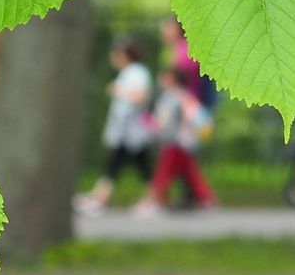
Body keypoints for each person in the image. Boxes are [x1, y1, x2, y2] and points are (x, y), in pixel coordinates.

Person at [77, 35, 154, 213]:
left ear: (124, 54)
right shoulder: (130, 72)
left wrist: (119, 91)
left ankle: (100, 198)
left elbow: (140, 96)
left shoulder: (137, 72)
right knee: (137, 165)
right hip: (126, 130)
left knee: (120, 163)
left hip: (132, 130)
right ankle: (151, 198)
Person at [136, 62, 215, 214]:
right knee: (190, 173)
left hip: (176, 142)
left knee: (163, 172)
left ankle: (154, 201)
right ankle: (206, 199)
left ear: (172, 79)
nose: (161, 80)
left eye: (165, 77)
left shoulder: (174, 97)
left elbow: (163, 122)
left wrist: (151, 126)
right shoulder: (183, 96)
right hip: (183, 142)